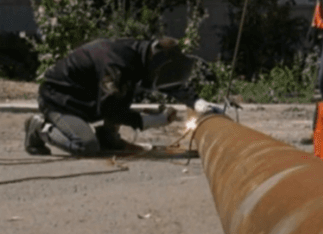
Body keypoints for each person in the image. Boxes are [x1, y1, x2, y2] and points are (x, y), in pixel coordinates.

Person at [23, 37, 222, 156]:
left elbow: (165, 81)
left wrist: (197, 101)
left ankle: (108, 138)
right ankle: (40, 128)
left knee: (124, 89)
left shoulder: (141, 55)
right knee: (86, 146)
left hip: (86, 98)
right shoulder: (116, 66)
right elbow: (110, 109)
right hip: (59, 100)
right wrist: (149, 121)